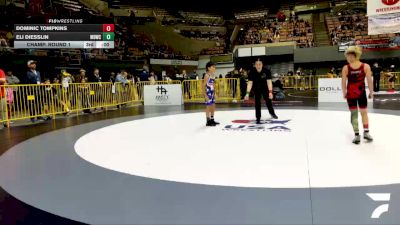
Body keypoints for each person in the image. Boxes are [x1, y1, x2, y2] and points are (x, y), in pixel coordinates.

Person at [341, 46, 374, 144]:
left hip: (352, 94)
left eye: (349, 56)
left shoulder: (346, 68)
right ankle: (365, 133)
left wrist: (344, 92)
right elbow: (369, 80)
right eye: (347, 56)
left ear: (354, 56)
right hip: (360, 93)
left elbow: (343, 82)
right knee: (363, 113)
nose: (348, 58)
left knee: (355, 114)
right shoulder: (365, 66)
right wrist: (371, 92)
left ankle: (357, 135)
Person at [245, 59, 278, 124]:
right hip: (256, 88)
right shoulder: (251, 72)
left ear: (262, 65)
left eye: (259, 64)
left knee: (268, 101)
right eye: (256, 64)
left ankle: (272, 113)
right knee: (257, 103)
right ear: (255, 65)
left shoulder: (267, 71)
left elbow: (269, 82)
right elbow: (250, 83)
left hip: (265, 88)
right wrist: (247, 94)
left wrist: (270, 92)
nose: (258, 66)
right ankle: (258, 117)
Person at [204, 62, 219, 126]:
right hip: (208, 93)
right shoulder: (207, 75)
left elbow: (213, 84)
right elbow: (203, 86)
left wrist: (215, 93)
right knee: (208, 107)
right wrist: (205, 95)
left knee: (213, 106)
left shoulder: (213, 75)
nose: (214, 68)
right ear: (209, 68)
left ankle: (212, 119)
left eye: (214, 67)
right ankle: (208, 121)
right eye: (213, 67)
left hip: (212, 92)